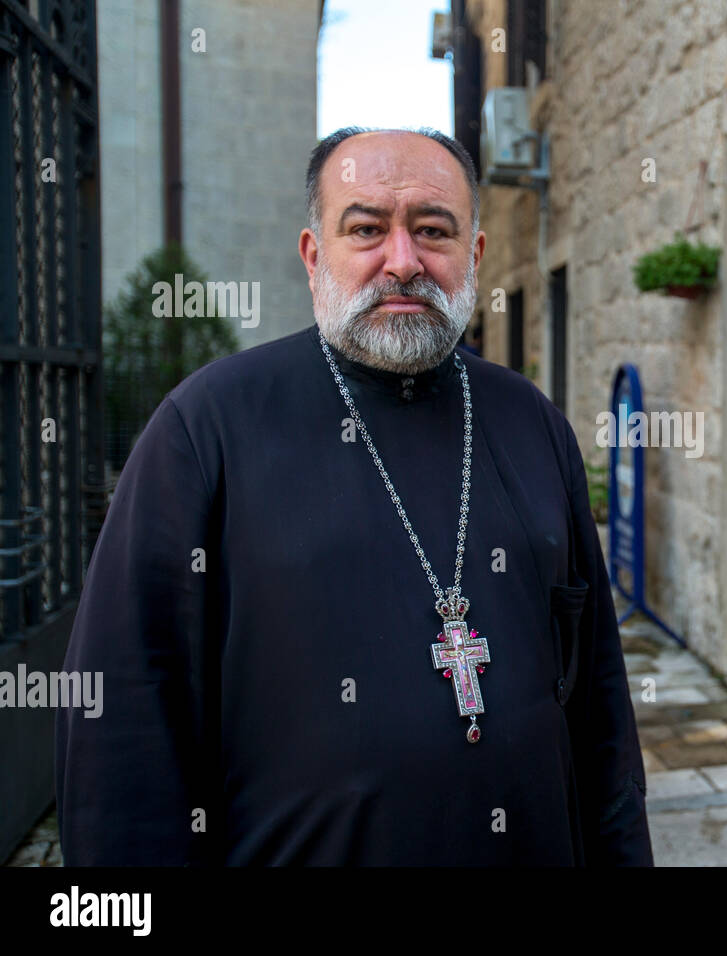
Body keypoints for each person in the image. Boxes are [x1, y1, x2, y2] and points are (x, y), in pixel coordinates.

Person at [54, 127, 653, 866]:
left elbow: (599, 705)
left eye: (433, 230)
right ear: (314, 257)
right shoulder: (205, 428)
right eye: (367, 228)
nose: (402, 261)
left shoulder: (531, 423)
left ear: (475, 255)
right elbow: (124, 729)